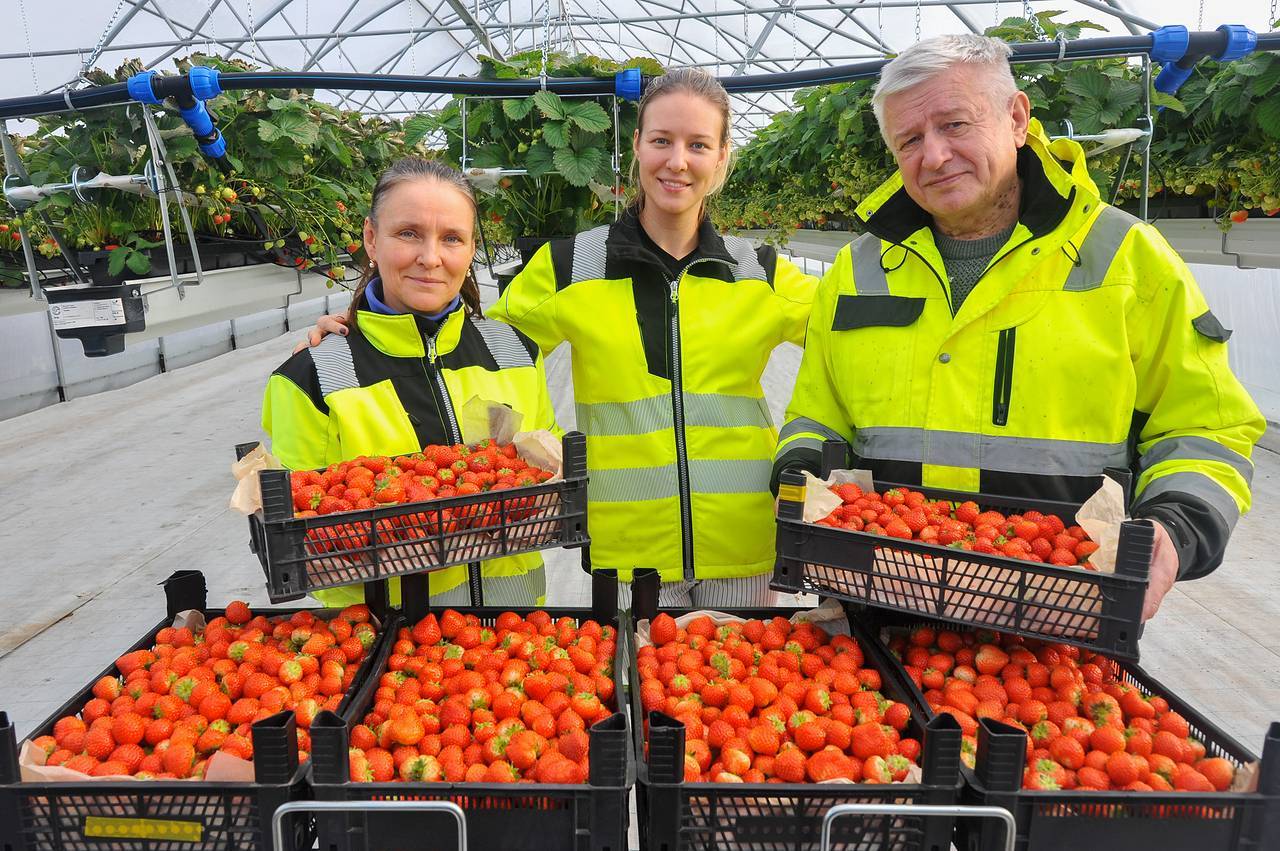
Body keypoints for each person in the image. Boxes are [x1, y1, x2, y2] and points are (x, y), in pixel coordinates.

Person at [774, 34, 1265, 620]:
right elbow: (814, 412)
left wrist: (1174, 527)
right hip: (879, 600)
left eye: (955, 124)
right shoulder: (858, 270)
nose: (933, 156)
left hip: (1062, 603)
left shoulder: (1125, 258)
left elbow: (1206, 424)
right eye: (909, 140)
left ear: (1016, 118)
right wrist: (801, 477)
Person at [307, 69, 818, 607]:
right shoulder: (572, 265)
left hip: (745, 545)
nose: (677, 160)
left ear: (721, 156)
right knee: (631, 689)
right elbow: (469, 343)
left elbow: (843, 333)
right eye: (662, 140)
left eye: (698, 145)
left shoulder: (757, 271)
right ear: (637, 146)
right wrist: (358, 330)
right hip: (626, 556)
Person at [265, 157, 560, 609]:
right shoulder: (313, 378)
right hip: (391, 650)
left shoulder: (515, 352)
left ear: (471, 248)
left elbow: (546, 480)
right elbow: (308, 543)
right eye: (408, 233)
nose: (431, 257)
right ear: (370, 238)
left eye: (452, 239)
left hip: (513, 635)